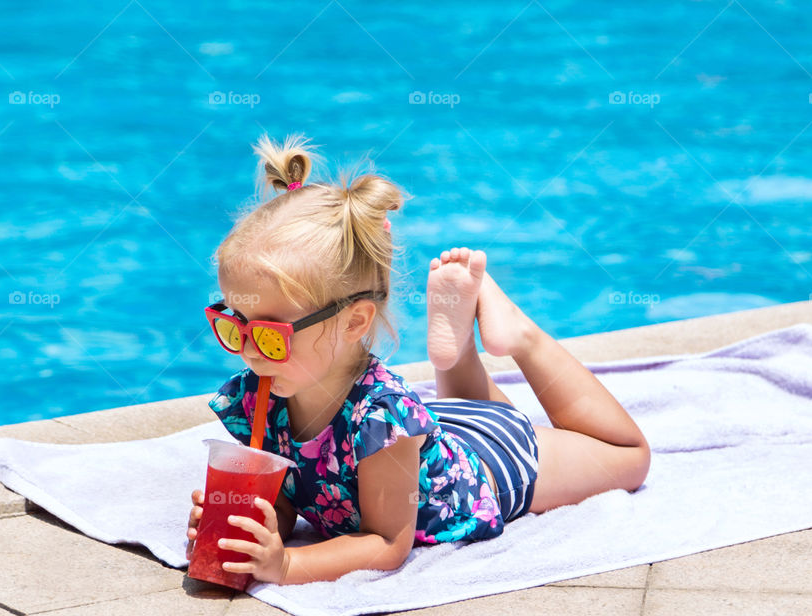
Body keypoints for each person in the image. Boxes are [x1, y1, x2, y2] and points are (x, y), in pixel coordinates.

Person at [186, 134, 650, 586]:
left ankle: (521, 335)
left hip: (491, 461)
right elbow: (290, 495)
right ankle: (459, 344)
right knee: (460, 416)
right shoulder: (262, 394)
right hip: (439, 429)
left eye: (270, 336)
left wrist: (285, 566)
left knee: (628, 459)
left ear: (354, 323)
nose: (248, 350)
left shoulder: (381, 419)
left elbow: (387, 542)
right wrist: (254, 532)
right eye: (234, 323)